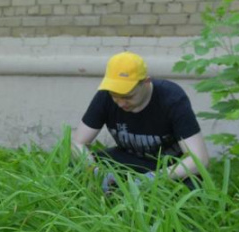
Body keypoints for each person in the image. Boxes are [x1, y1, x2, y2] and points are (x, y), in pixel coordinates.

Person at [71, 51, 210, 191]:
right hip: (128, 159)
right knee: (76, 170)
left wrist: (152, 179)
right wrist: (96, 172)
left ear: (145, 82)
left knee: (191, 190)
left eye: (127, 96)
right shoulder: (105, 96)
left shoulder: (171, 97)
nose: (120, 103)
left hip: (168, 166)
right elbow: (78, 142)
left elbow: (199, 160)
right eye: (115, 96)